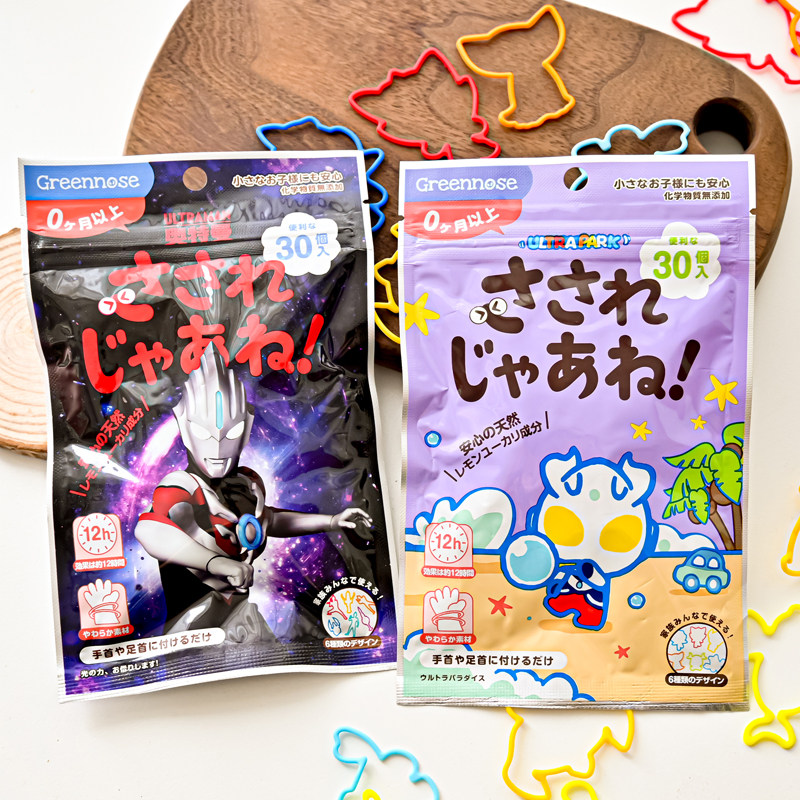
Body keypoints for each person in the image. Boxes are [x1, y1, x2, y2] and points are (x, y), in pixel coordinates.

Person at [134, 345, 371, 641]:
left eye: (230, 433)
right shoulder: (182, 487)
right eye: (204, 433)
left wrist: (331, 521)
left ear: (245, 429)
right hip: (193, 628)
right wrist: (217, 563)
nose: (217, 445)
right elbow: (149, 530)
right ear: (185, 428)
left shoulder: (247, 484)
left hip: (242, 621)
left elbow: (272, 520)